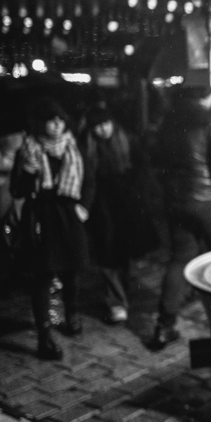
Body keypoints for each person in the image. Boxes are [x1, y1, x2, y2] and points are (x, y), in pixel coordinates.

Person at [150, 86, 211, 349]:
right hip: (209, 201)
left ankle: (164, 326)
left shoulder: (167, 121)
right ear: (206, 94)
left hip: (177, 201)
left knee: (179, 259)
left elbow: (157, 161)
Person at [12, 98, 92, 361]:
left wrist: (84, 207)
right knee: (43, 276)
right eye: (51, 120)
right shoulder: (28, 150)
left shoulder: (73, 146)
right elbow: (17, 190)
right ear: (41, 123)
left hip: (69, 216)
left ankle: (72, 314)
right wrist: (28, 172)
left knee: (72, 270)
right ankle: (44, 335)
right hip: (42, 217)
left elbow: (90, 179)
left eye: (60, 120)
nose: (56, 125)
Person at [80, 106, 138, 324]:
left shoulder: (127, 141)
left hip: (126, 207)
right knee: (106, 254)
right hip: (101, 209)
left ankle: (123, 291)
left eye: (105, 124)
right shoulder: (87, 148)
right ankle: (116, 302)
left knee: (123, 253)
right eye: (97, 126)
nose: (102, 129)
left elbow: (141, 172)